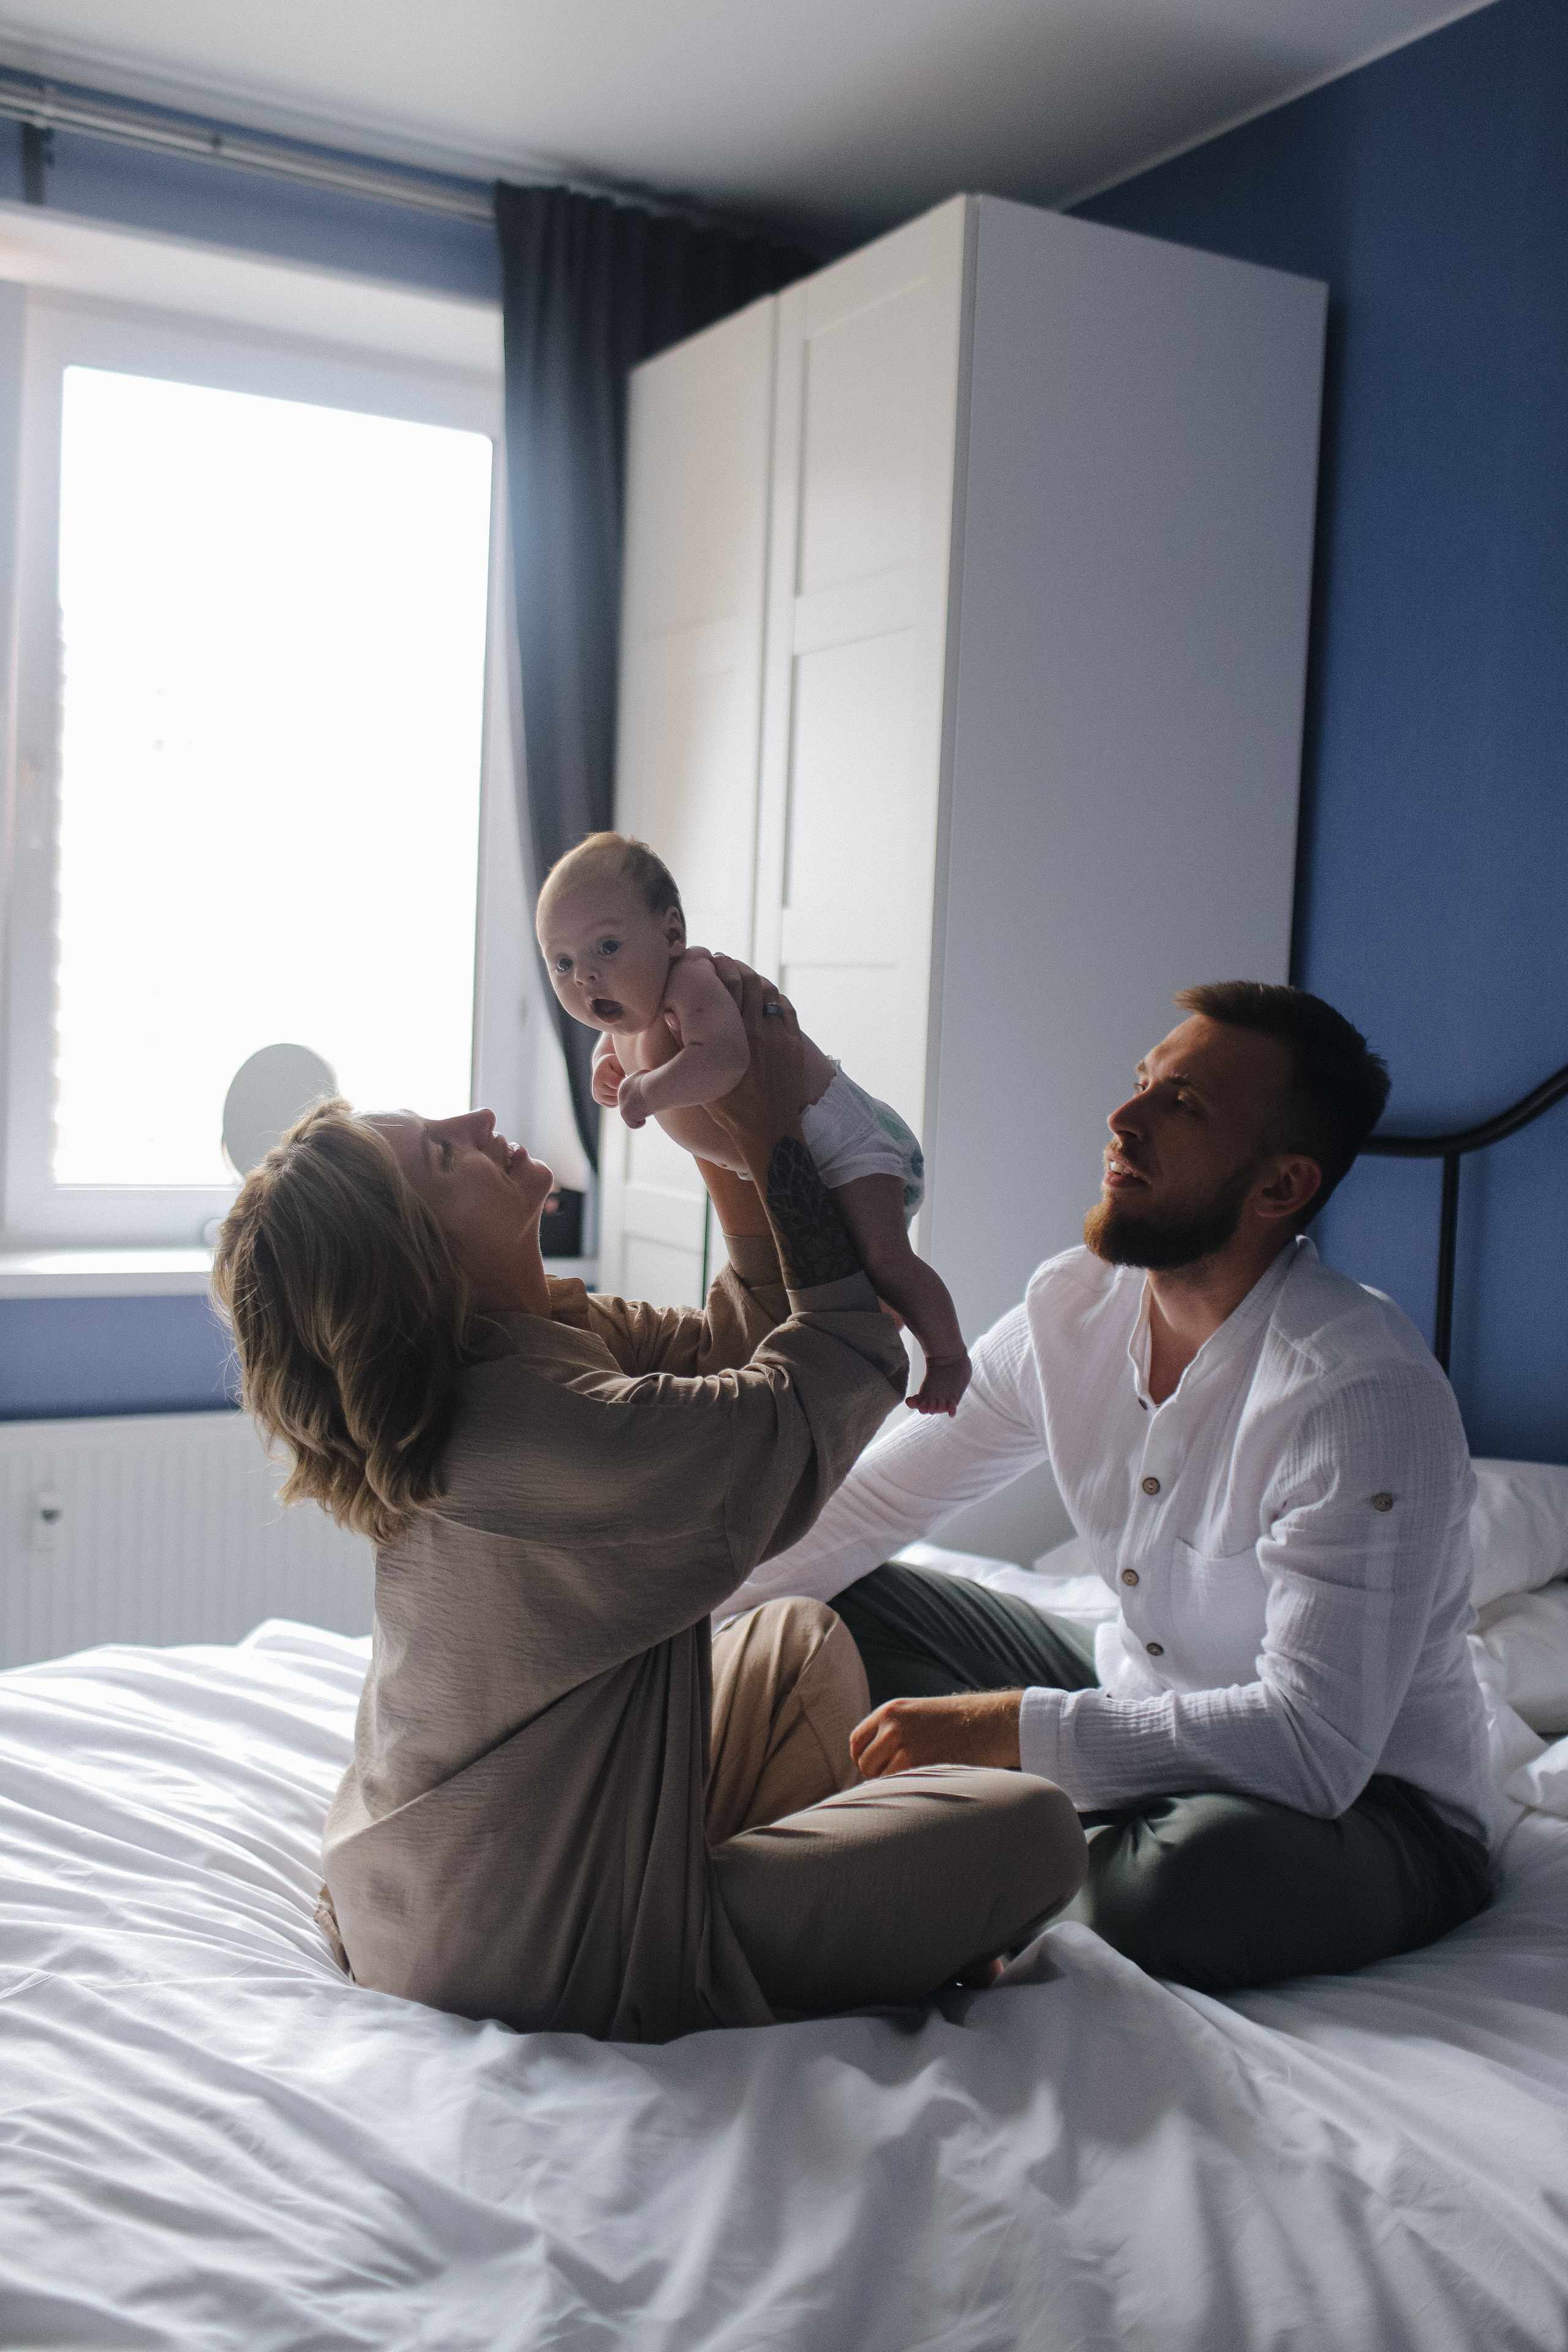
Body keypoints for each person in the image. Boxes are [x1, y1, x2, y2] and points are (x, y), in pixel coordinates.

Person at [209, 970, 1085, 2043]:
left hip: (441, 1877)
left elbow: (738, 1345)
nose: (479, 1119)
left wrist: (711, 1136)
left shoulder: (505, 1344)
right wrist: (772, 1133)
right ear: (420, 1262)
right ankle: (748, 1955)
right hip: (537, 1953)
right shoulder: (532, 1435)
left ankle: (814, 1908)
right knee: (1038, 1831)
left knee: (795, 1644)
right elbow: (826, 1379)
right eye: (444, 1149)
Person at [720, 982, 1493, 1996]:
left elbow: (1314, 1747)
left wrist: (1006, 1729)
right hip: (1133, 1695)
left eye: (1185, 1106)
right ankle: (928, 1864)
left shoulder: (1356, 1396)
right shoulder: (1073, 1308)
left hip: (1366, 1810)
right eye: (1143, 1084)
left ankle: (901, 1886)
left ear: (1281, 1186)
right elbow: (872, 1507)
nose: (1122, 1120)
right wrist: (663, 1634)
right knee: (814, 1606)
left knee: (1182, 1884)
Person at [536, 831, 971, 1414]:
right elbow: (609, 1053)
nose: (585, 977)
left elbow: (724, 1058)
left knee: (884, 1261)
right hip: (778, 1162)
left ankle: (948, 1355)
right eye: (562, 963)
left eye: (606, 947)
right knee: (824, 1282)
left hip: (848, 1142)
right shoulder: (623, 1015)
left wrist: (647, 1090)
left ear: (671, 935)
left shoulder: (691, 981)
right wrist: (606, 1074)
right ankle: (883, 1312)